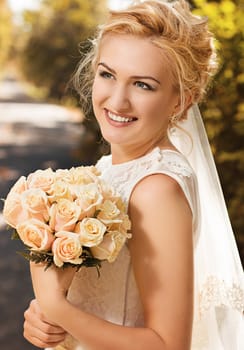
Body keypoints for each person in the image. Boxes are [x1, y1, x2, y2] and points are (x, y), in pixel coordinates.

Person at [23, 0, 244, 349]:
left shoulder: (156, 189)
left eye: (143, 85)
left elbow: (167, 344)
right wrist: (47, 320)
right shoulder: (110, 170)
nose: (118, 101)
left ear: (181, 101)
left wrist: (57, 307)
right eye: (107, 74)